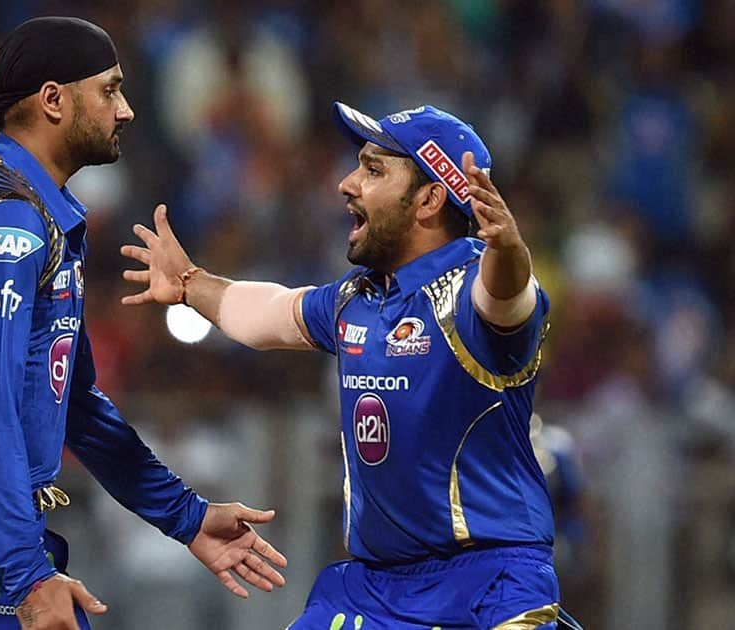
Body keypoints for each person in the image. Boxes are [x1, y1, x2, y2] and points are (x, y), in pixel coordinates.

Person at [0, 16, 286, 630]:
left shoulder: (42, 218)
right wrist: (29, 572)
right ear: (53, 100)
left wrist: (184, 516)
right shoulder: (3, 225)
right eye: (109, 90)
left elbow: (75, 404)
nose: (128, 110)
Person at [122, 103, 572, 628]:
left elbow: (508, 297)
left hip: (486, 591)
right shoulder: (356, 298)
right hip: (373, 590)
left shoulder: (473, 292)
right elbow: (268, 313)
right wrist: (189, 284)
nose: (346, 183)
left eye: (374, 169)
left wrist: (510, 250)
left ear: (429, 198)